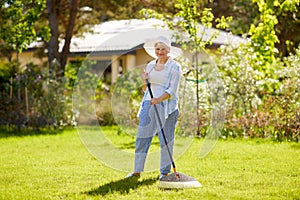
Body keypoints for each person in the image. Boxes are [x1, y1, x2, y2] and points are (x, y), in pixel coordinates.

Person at [126, 36, 182, 180]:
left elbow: (172, 90)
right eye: (157, 49)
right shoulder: (150, 65)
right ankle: (136, 170)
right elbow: (146, 89)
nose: (160, 51)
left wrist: (159, 99)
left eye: (163, 48)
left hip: (166, 106)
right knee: (142, 138)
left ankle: (164, 173)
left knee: (166, 140)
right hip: (148, 104)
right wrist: (144, 79)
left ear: (169, 50)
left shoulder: (175, 66)